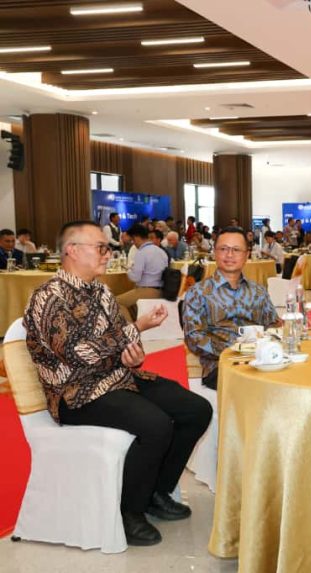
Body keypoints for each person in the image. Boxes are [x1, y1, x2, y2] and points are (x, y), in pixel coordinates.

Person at [24, 220, 212, 547]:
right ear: (72, 250)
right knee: (155, 424)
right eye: (100, 247)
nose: (107, 253)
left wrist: (132, 355)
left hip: (118, 378)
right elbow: (78, 353)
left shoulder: (101, 292)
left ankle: (157, 491)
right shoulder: (48, 297)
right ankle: (129, 512)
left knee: (196, 409)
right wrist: (135, 329)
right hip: (76, 393)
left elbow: (118, 345)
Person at [183, 227, 281, 390]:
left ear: (246, 255)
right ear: (214, 252)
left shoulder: (258, 291)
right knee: (255, 386)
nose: (229, 255)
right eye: (223, 249)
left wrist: (268, 342)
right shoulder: (198, 292)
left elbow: (273, 325)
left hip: (260, 360)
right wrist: (234, 351)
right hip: (220, 365)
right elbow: (194, 337)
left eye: (236, 250)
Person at [117, 224, 168, 322]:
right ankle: (137, 325)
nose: (133, 243)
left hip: (147, 291)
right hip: (162, 290)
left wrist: (128, 270)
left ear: (136, 237)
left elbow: (135, 278)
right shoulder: (161, 251)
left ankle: (131, 328)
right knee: (130, 304)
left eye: (133, 240)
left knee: (116, 302)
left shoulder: (141, 252)